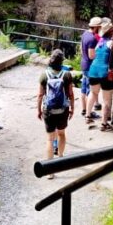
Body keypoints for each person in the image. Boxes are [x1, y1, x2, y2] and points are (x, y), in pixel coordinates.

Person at [37, 49, 75, 179]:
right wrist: (72, 108)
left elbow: (40, 95)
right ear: (62, 61)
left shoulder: (44, 75)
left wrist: (38, 110)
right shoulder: (67, 74)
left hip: (49, 110)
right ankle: (60, 158)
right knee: (61, 134)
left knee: (49, 139)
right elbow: (70, 94)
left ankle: (50, 171)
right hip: (62, 110)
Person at [87, 23, 113, 131]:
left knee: (93, 93)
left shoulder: (99, 42)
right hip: (105, 72)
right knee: (107, 100)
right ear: (111, 32)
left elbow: (96, 56)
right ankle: (104, 124)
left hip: (93, 70)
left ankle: (88, 116)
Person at [80, 17, 103, 120]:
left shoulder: (85, 34)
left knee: (83, 89)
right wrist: (100, 55)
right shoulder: (93, 39)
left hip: (83, 64)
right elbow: (91, 55)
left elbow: (82, 50)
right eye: (100, 27)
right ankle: (89, 113)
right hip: (90, 67)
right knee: (91, 91)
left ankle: (84, 109)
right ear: (96, 27)